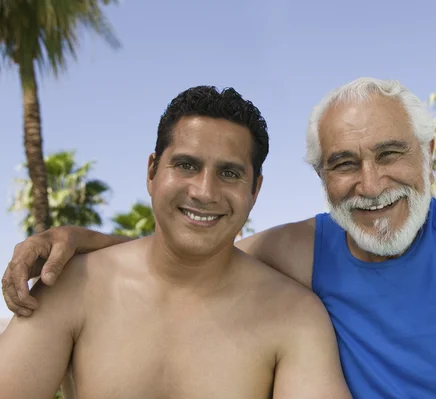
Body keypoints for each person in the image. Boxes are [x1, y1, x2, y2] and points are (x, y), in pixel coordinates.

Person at [4, 78, 436, 398]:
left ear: (430, 154)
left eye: (390, 154)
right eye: (344, 162)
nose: (370, 184)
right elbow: (190, 252)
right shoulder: (294, 253)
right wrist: (76, 237)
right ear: (321, 177)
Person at [0, 86, 351, 399]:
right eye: (186, 165)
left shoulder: (293, 317)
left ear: (254, 190)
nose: (204, 191)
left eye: (229, 173)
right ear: (152, 172)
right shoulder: (76, 285)